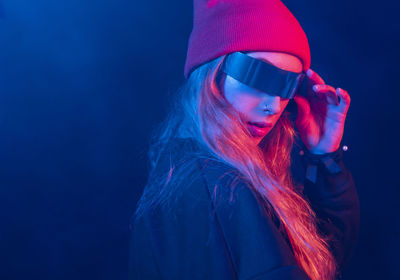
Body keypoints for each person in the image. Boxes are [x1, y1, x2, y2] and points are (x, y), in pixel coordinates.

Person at [129, 0, 360, 279]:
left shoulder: (205, 175)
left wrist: (324, 157)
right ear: (212, 77)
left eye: (288, 86)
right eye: (258, 77)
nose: (272, 106)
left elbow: (316, 263)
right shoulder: (214, 185)